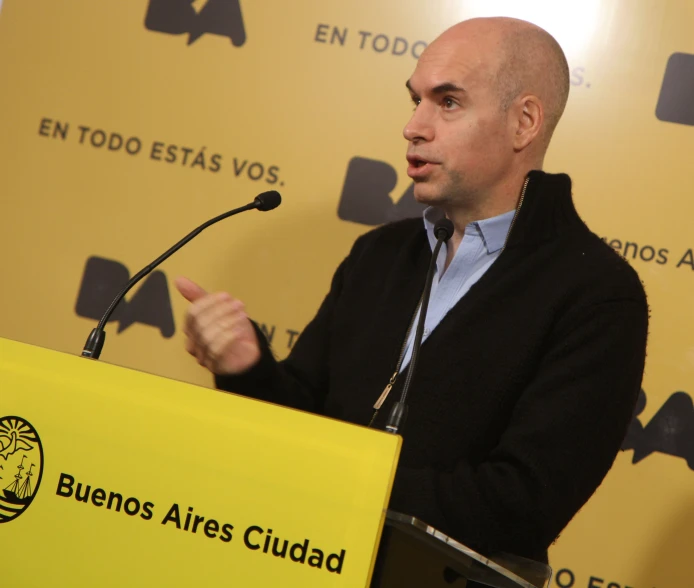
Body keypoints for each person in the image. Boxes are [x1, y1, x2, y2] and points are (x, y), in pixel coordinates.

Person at [174, 17, 649, 564]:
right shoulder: (378, 254)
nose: (413, 127)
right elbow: (300, 419)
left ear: (524, 123)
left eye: (447, 102)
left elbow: (519, 504)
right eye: (415, 100)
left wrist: (328, 478)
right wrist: (247, 368)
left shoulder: (597, 295)